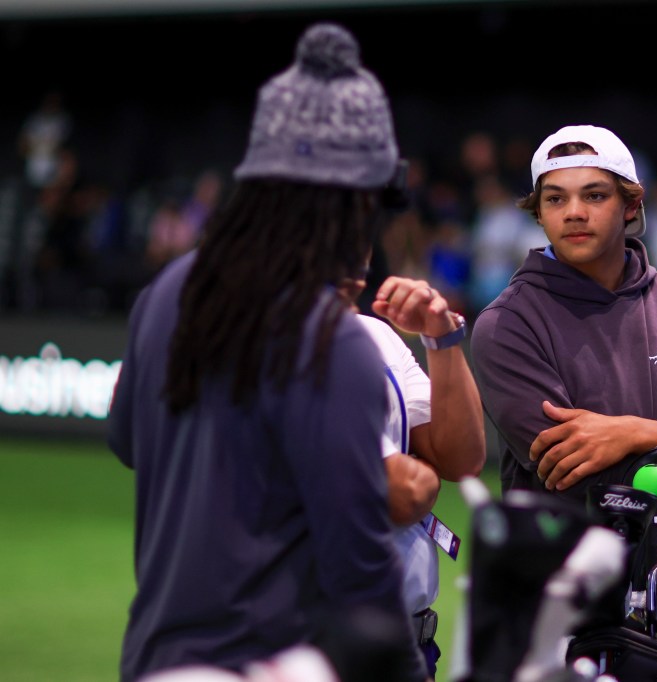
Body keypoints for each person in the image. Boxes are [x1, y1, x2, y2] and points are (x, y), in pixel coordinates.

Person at [108, 23, 427, 681]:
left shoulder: (168, 291)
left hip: (156, 661)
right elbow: (360, 571)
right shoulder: (331, 339)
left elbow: (129, 444)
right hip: (273, 662)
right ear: (356, 195)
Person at [470, 124, 657, 556]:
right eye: (555, 198)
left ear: (631, 205)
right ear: (539, 212)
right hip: (561, 590)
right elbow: (576, 475)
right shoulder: (508, 323)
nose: (573, 212)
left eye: (594, 195)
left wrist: (631, 433)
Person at [361, 274, 486, 679]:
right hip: (324, 646)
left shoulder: (375, 333)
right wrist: (421, 474)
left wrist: (441, 336)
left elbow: (461, 458)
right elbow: (404, 494)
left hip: (411, 644)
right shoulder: (277, 344)